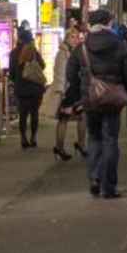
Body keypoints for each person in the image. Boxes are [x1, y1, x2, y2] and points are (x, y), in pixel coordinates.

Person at [83, 10, 127, 198]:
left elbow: (71, 73)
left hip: (90, 99)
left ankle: (95, 176)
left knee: (94, 138)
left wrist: (78, 95)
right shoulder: (119, 44)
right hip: (112, 97)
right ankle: (109, 187)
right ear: (108, 23)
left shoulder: (83, 46)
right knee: (110, 140)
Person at [52, 24, 88, 161]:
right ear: (66, 38)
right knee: (64, 119)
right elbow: (60, 74)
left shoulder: (78, 51)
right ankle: (59, 148)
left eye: (77, 37)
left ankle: (81, 144)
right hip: (67, 91)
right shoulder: (62, 53)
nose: (75, 39)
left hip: (78, 89)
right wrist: (61, 91)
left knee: (82, 116)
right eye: (72, 37)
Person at [8, 27, 47, 149]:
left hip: (21, 88)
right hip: (35, 88)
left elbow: (12, 72)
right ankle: (33, 138)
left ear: (19, 39)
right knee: (34, 114)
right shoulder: (33, 51)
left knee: (23, 115)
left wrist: (16, 81)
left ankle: (23, 138)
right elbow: (43, 65)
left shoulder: (14, 53)